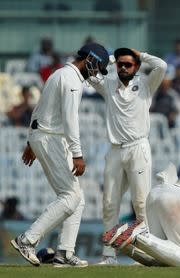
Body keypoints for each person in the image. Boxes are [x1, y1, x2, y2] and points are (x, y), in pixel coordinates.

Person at [11, 42, 109, 267]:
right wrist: (77, 154)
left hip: (43, 135)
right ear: (90, 59)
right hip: (51, 137)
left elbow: (39, 109)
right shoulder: (72, 81)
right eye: (97, 67)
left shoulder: (59, 74)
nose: (96, 73)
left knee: (78, 198)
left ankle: (64, 253)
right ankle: (27, 240)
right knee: (70, 196)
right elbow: (70, 120)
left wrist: (30, 141)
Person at [88, 47, 167, 265]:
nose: (123, 67)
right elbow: (89, 72)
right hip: (114, 150)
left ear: (137, 67)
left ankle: (147, 254)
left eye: (128, 64)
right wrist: (110, 58)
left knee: (141, 204)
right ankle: (108, 255)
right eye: (120, 64)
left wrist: (140, 55)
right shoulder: (108, 85)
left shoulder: (145, 85)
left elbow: (162, 65)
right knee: (109, 203)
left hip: (138, 148)